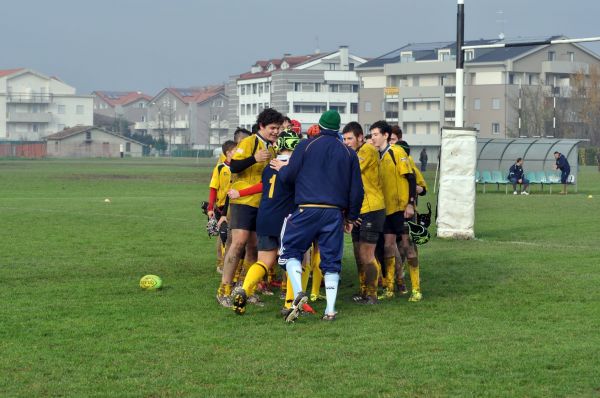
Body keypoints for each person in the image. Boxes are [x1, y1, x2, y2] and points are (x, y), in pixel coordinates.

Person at [272, 110, 364, 322]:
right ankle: (330, 310)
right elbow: (357, 190)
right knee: (331, 261)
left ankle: (298, 293)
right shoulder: (349, 153)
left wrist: (282, 169)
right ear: (338, 129)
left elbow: (289, 176)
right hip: (334, 214)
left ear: (319, 126)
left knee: (289, 251)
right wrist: (351, 218)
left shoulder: (306, 145)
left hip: (307, 208)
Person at [216, 108, 282, 307]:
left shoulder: (271, 148)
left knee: (254, 245)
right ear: (261, 126)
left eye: (278, 128)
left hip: (260, 202)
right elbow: (234, 166)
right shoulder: (249, 142)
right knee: (239, 242)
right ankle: (224, 289)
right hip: (242, 202)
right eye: (272, 128)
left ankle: (245, 289)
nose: (276, 132)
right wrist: (254, 158)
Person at [230, 131, 301, 315]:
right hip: (286, 220)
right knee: (292, 261)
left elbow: (264, 186)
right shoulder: (296, 167)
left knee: (265, 261)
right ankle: (289, 305)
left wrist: (241, 193)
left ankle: (244, 289)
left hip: (264, 216)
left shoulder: (270, 166)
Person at [369, 121, 417, 301]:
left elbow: (411, 178)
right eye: (372, 134)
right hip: (386, 209)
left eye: (375, 134)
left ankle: (416, 289)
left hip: (401, 208)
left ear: (386, 136)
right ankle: (389, 287)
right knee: (389, 246)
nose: (373, 138)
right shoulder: (377, 155)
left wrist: (410, 204)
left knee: (407, 247)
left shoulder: (397, 152)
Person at [342, 122, 385, 305]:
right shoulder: (355, 153)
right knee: (360, 254)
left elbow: (351, 173)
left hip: (372, 208)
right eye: (344, 139)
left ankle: (373, 295)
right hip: (359, 210)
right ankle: (364, 291)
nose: (346, 142)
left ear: (360, 137)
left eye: (350, 138)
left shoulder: (366, 150)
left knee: (367, 255)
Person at [207, 141, 236, 273]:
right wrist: (210, 208)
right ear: (228, 153)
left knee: (234, 235)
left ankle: (231, 262)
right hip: (222, 206)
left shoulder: (240, 167)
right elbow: (213, 188)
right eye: (236, 150)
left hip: (237, 204)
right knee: (223, 234)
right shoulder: (220, 168)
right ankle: (220, 263)